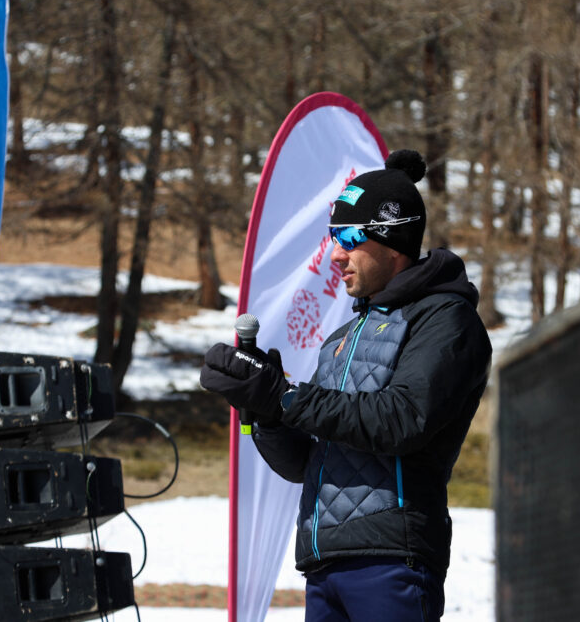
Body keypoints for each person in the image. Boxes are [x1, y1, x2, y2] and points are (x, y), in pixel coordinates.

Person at [199, 149, 492, 622]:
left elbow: (401, 419)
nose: (336, 254)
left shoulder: (446, 319)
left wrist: (285, 396)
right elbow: (304, 463)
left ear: (393, 242)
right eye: (334, 237)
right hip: (324, 562)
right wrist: (260, 409)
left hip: (392, 558)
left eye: (349, 237)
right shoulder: (343, 336)